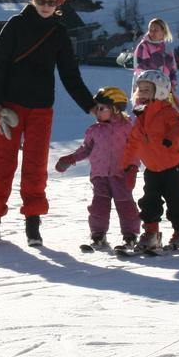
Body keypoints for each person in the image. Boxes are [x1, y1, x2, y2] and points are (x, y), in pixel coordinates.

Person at [0, 0, 95, 247]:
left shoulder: (59, 33)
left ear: (58, 4)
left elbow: (70, 74)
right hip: (8, 107)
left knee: (35, 166)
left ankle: (33, 224)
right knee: (1, 165)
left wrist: (89, 105)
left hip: (41, 109)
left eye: (51, 1)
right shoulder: (16, 25)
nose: (45, 5)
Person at [55, 86, 141, 251]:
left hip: (121, 175)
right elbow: (86, 149)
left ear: (115, 109)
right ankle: (98, 234)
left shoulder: (127, 127)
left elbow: (136, 148)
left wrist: (133, 167)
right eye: (96, 108)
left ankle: (130, 235)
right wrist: (70, 158)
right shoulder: (94, 130)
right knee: (98, 206)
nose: (97, 111)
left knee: (125, 205)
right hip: (99, 175)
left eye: (102, 108)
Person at [121, 71, 179, 251]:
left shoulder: (167, 111)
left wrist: (170, 137)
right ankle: (151, 234)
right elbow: (133, 142)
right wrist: (128, 165)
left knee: (175, 202)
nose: (142, 93)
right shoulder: (140, 115)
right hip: (151, 169)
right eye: (140, 89)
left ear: (160, 91)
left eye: (147, 89)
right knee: (149, 201)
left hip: (171, 168)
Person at [133, 18, 179, 108]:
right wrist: (154, 85)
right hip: (147, 90)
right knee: (147, 115)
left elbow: (173, 69)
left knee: (169, 115)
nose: (152, 32)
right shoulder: (144, 46)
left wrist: (173, 84)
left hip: (165, 89)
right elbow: (142, 70)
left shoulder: (167, 49)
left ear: (163, 31)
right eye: (151, 29)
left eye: (156, 30)